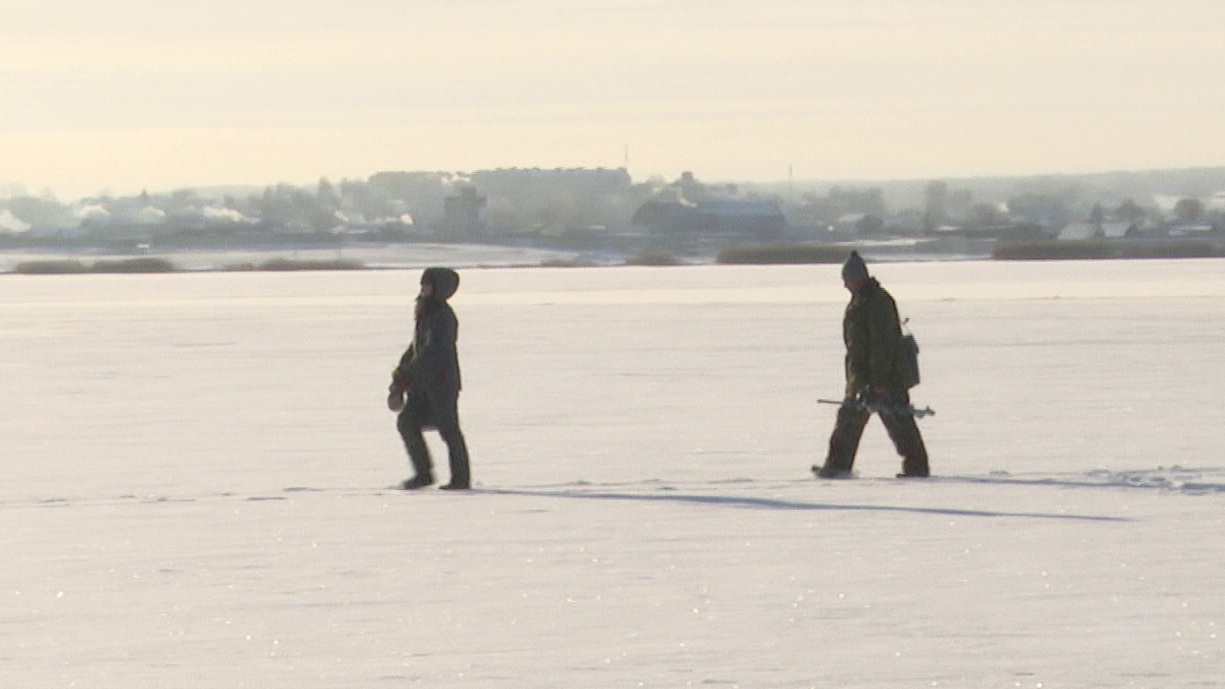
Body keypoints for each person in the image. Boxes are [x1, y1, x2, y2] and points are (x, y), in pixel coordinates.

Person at [813, 251, 930, 479]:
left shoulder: (878, 302)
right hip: (862, 376)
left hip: (885, 377)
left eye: (847, 280)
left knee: (899, 420)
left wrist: (879, 383)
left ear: (859, 278)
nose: (845, 285)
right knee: (849, 418)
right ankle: (837, 465)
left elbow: (882, 346)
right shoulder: (859, 301)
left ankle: (917, 467)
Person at [388, 267, 471, 490]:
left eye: (427, 285)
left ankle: (461, 479)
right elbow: (416, 347)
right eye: (422, 285)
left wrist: (410, 371)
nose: (423, 289)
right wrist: (403, 368)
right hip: (422, 383)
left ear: (440, 289)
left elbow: (432, 351)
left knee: (448, 429)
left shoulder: (443, 316)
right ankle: (423, 474)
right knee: (407, 422)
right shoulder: (425, 312)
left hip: (441, 383)